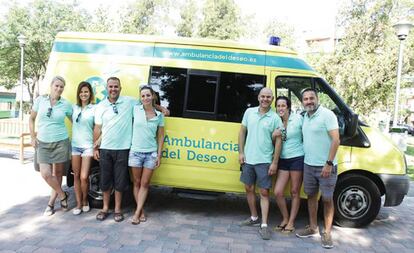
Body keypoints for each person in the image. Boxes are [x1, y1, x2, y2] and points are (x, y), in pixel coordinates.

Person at [295, 88, 340, 249]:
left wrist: (328, 163)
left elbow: (336, 140)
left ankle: (327, 233)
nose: (309, 101)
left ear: (317, 98)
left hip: (326, 167)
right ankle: (313, 227)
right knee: (311, 196)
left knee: (327, 199)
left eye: (311, 98)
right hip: (308, 165)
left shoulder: (327, 115)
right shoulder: (305, 117)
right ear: (302, 102)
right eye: (305, 99)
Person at [238, 87, 283, 240]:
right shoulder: (249, 112)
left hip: (265, 161)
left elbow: (278, 142)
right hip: (248, 159)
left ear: (272, 99)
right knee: (248, 188)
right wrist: (241, 152)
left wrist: (274, 162)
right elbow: (242, 132)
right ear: (258, 97)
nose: (265, 99)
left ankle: (264, 225)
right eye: (263, 96)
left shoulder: (275, 118)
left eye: (268, 97)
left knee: (264, 192)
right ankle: (254, 217)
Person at [93, 77, 136, 222]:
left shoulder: (129, 102)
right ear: (107, 88)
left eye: (116, 86)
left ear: (120, 88)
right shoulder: (101, 106)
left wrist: (161, 108)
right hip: (105, 148)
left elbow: (147, 103)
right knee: (105, 181)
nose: (113, 89)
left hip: (123, 149)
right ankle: (105, 208)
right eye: (110, 86)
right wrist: (95, 147)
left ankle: (117, 209)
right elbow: (97, 128)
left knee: (120, 182)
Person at [29, 76, 73, 216]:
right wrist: (32, 136)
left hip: (61, 141)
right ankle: (63, 195)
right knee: (46, 174)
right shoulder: (40, 100)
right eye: (57, 86)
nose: (59, 89)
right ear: (51, 86)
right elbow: (32, 118)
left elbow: (75, 122)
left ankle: (51, 204)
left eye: (61, 87)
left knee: (58, 174)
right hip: (42, 142)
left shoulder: (66, 104)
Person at [129, 85, 164, 225]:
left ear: (153, 96)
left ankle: (137, 213)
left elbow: (161, 136)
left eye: (148, 95)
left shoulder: (159, 116)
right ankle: (141, 211)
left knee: (145, 184)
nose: (145, 98)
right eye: (143, 96)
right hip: (135, 152)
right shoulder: (135, 109)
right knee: (136, 183)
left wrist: (159, 155)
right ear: (140, 98)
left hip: (151, 153)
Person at [273, 96, 304, 234]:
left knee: (294, 191)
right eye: (278, 106)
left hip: (297, 157)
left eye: (283, 106)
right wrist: (274, 135)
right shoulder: (276, 121)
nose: (280, 108)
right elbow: (273, 140)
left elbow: (307, 135)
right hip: (283, 159)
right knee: (278, 192)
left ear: (288, 107)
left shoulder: (298, 119)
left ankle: (291, 222)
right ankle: (285, 218)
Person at [71, 81, 95, 215]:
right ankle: (79, 203)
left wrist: (97, 141)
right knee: (76, 176)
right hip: (75, 146)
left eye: (86, 91)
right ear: (78, 94)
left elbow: (98, 127)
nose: (83, 94)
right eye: (81, 92)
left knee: (84, 177)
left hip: (87, 147)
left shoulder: (94, 108)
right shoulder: (74, 107)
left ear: (90, 93)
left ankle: (85, 200)